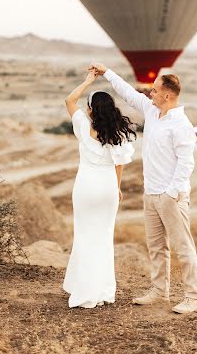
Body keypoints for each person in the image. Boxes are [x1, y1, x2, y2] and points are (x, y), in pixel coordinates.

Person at [89, 63, 197, 315]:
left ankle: (193, 297)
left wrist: (172, 192)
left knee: (183, 247)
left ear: (167, 95)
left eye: (154, 90)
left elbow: (186, 163)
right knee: (156, 246)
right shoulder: (152, 112)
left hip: (171, 195)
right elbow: (128, 93)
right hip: (150, 192)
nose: (150, 93)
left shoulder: (181, 125)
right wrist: (107, 72)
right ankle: (159, 290)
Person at [63, 70, 136, 308]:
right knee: (104, 238)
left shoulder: (83, 125)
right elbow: (119, 164)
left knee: (84, 236)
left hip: (86, 187)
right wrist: (116, 188)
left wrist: (88, 81)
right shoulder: (118, 134)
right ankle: (103, 291)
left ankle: (84, 291)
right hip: (107, 189)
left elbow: (69, 101)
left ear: (92, 109)